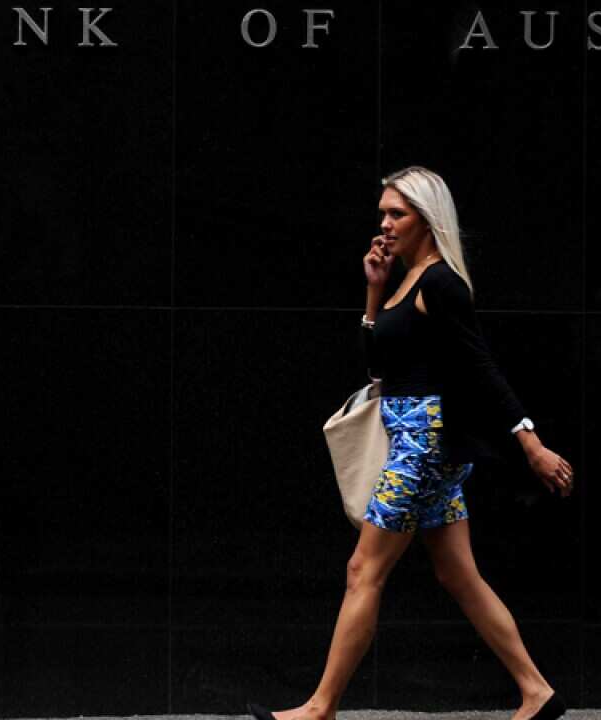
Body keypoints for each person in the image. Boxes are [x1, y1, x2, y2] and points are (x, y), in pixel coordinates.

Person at [248, 166, 573, 720]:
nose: (385, 223)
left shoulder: (442, 282)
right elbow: (381, 368)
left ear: (427, 218)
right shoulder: (406, 278)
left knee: (362, 570)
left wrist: (531, 442)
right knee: (458, 574)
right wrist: (374, 293)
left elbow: (480, 367)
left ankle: (320, 708)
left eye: (396, 213)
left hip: (422, 445)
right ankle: (537, 691)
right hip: (418, 442)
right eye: (382, 213)